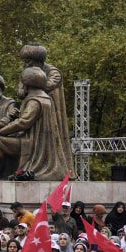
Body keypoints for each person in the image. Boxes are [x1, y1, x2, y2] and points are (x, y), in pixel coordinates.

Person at [0, 67, 72, 181]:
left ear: (27, 84)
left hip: (31, 144)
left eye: (22, 84)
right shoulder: (44, 98)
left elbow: (22, 123)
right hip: (35, 141)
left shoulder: (34, 100)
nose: (20, 87)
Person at [16, 43, 75, 176]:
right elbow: (20, 93)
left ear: (37, 61)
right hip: (33, 113)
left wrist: (29, 81)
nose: (24, 65)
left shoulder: (53, 72)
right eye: (24, 62)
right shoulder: (27, 74)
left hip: (49, 115)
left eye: (27, 61)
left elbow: (43, 86)